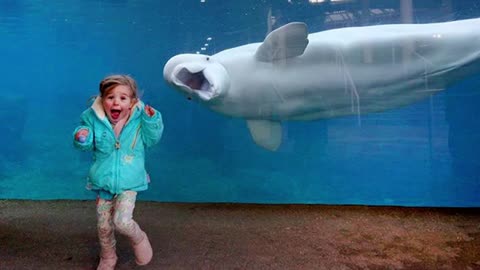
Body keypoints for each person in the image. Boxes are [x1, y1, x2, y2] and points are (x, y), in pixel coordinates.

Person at [73, 74, 163, 269]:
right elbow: (85, 144)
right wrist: (82, 137)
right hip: (103, 181)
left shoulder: (140, 118)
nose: (116, 102)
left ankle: (139, 239)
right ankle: (107, 257)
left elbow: (152, 140)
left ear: (132, 102)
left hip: (129, 181)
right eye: (110, 97)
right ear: (102, 99)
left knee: (122, 221)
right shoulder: (91, 117)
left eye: (123, 98)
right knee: (104, 226)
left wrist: (151, 120)